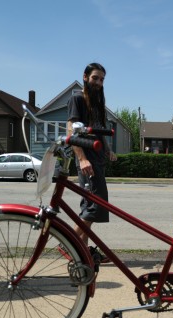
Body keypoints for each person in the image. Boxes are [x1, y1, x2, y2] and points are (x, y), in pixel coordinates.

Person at [67, 63, 117, 260]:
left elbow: (98, 129)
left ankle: (82, 251)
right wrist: (82, 159)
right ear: (85, 77)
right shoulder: (77, 98)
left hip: (97, 158)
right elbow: (72, 130)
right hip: (87, 160)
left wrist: (108, 149)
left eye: (102, 79)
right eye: (95, 78)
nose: (98, 82)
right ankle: (71, 246)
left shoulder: (96, 102)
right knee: (94, 206)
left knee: (90, 206)